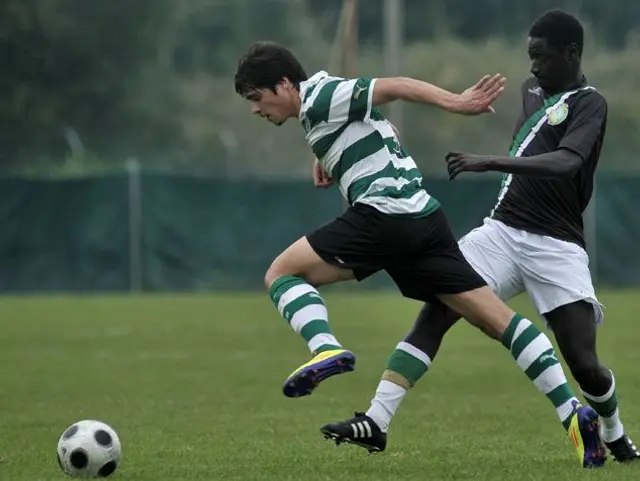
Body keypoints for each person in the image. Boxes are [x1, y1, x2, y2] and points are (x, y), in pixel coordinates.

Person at [234, 40, 604, 467]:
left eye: (256, 98)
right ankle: (573, 414)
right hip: (425, 220)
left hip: (382, 217)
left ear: (283, 84)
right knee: (498, 322)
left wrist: (457, 102)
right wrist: (329, 157)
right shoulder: (321, 105)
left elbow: (396, 86)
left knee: (282, 274)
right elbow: (382, 130)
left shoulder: (320, 95)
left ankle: (325, 347)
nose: (255, 110)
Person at [320, 9, 638, 467]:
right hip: (502, 232)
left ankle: (615, 434)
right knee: (439, 310)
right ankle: (376, 421)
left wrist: (490, 162)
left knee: (584, 361)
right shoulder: (532, 92)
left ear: (572, 54)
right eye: (531, 56)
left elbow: (567, 162)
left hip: (558, 245)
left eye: (543, 57)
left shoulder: (591, 103)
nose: (533, 67)